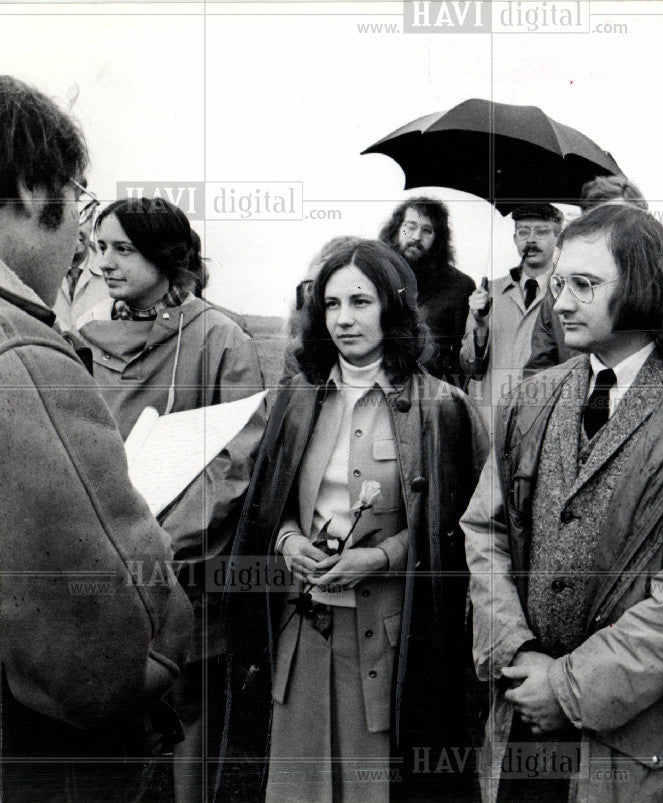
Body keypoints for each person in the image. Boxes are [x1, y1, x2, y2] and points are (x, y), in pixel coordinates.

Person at [462, 204, 663, 802]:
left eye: (584, 284)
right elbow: (486, 530)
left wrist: (571, 686)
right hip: (525, 720)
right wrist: (518, 652)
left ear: (641, 288)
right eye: (559, 282)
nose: (559, 302)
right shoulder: (533, 399)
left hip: (640, 753)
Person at [224, 238, 488, 802]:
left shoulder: (443, 408)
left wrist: (383, 556)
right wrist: (288, 539)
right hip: (304, 636)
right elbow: (266, 504)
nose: (344, 319)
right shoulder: (295, 400)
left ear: (393, 308)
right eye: (332, 304)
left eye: (361, 302)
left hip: (391, 642)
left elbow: (465, 532)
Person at [0, 75, 192, 801]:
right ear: (27, 185)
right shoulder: (23, 354)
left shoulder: (220, 339)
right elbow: (96, 651)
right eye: (77, 196)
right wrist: (166, 644)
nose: (87, 242)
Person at [74, 196, 266, 802]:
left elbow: (235, 457)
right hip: (99, 560)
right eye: (100, 247)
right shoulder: (81, 341)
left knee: (190, 700)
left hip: (183, 561)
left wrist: (162, 541)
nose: (105, 262)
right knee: (99, 702)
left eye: (122, 249)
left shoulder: (220, 339)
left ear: (166, 255)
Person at [523, 175, 645, 376]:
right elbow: (538, 371)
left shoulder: (660, 289)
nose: (606, 230)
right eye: (596, 221)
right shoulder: (560, 291)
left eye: (616, 219)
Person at [461, 203, 562, 419]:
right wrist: (480, 323)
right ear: (515, 239)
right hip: (492, 419)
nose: (531, 240)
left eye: (541, 232)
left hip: (542, 417)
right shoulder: (489, 293)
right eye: (523, 232)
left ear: (558, 239)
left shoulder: (567, 295)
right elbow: (469, 368)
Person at [378, 196, 475, 385]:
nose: (416, 237)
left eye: (427, 230)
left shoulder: (460, 287)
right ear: (396, 230)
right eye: (410, 227)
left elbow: (462, 364)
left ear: (438, 239)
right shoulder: (376, 278)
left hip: (431, 399)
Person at [52, 218, 109, 328]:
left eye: (82, 219)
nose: (76, 227)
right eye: (68, 217)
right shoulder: (36, 269)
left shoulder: (113, 269)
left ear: (92, 221)